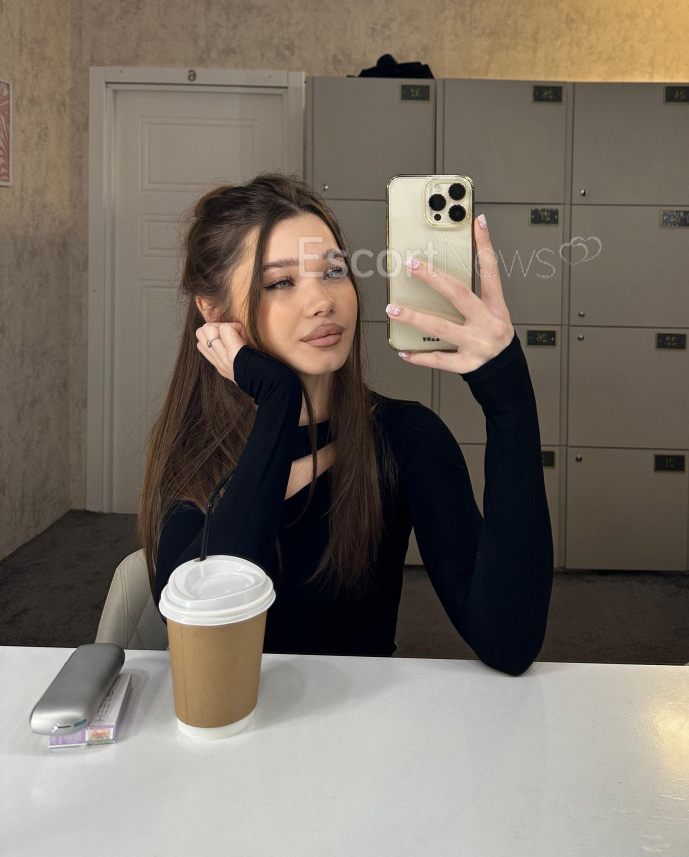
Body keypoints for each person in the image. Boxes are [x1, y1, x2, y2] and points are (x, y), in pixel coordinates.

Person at [137, 172, 554, 676]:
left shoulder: (408, 438)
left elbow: (509, 643)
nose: (323, 301)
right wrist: (279, 400)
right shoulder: (196, 450)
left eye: (334, 272)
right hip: (236, 716)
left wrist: (509, 397)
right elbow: (201, 627)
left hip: (364, 721)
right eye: (281, 282)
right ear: (213, 310)